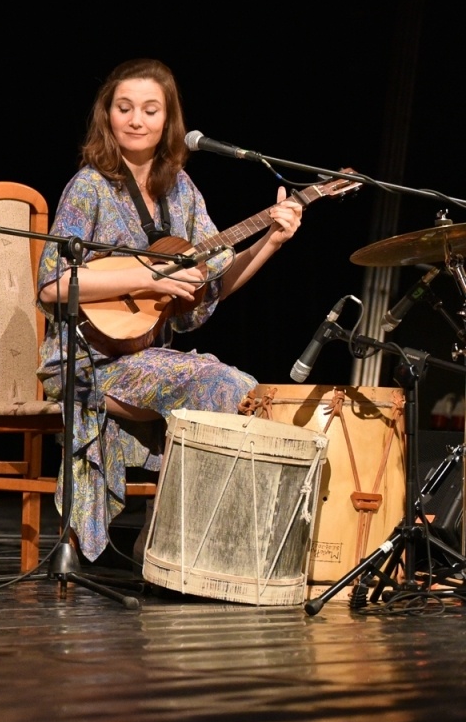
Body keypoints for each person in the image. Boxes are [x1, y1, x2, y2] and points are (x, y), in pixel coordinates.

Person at [35, 58, 301, 561]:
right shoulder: (89, 186)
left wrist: (271, 241)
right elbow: (52, 285)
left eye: (150, 110)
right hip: (84, 364)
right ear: (107, 116)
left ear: (169, 120)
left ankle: (162, 538)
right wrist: (147, 275)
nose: (136, 120)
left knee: (237, 390)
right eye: (125, 108)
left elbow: (212, 283)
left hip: (145, 359)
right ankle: (157, 543)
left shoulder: (181, 190)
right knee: (221, 385)